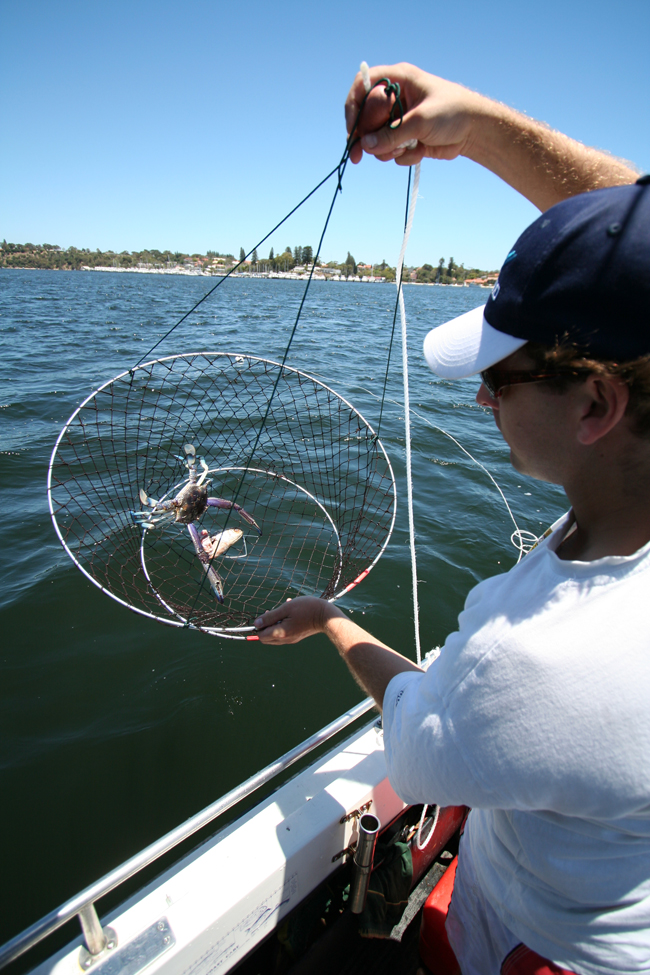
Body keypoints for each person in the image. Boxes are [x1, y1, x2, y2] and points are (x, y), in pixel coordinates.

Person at [254, 65, 650, 975]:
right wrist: (473, 126)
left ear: (596, 404)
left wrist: (329, 619)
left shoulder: (533, 658)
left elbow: (418, 742)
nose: (480, 398)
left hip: (533, 944)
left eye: (501, 378)